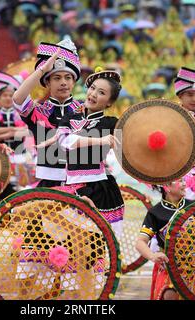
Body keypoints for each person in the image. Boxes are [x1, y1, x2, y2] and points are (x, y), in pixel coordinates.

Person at [55, 68, 124, 236]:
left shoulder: (112, 123)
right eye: (92, 88)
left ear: (109, 102)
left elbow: (133, 147)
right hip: (72, 185)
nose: (93, 94)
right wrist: (100, 140)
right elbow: (65, 142)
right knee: (71, 241)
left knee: (96, 241)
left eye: (101, 92)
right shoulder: (70, 118)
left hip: (100, 187)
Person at [12, 38, 83, 187]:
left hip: (82, 182)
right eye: (57, 78)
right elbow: (18, 99)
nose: (63, 82)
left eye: (68, 78)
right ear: (47, 83)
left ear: (73, 82)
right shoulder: (38, 111)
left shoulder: (85, 110)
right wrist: (43, 69)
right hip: (49, 184)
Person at [135, 179, 195, 300]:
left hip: (194, 265)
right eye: (180, 181)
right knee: (169, 294)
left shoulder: (194, 207)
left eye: (184, 180)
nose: (185, 184)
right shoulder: (156, 212)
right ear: (166, 186)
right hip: (169, 265)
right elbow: (140, 242)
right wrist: (153, 256)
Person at [0, 71, 29, 197]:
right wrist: (13, 130)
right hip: (0, 157)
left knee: (21, 189)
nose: (8, 98)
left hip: (20, 156)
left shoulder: (21, 115)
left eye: (11, 95)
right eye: (4, 95)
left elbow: (26, 131)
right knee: (1, 189)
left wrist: (2, 133)